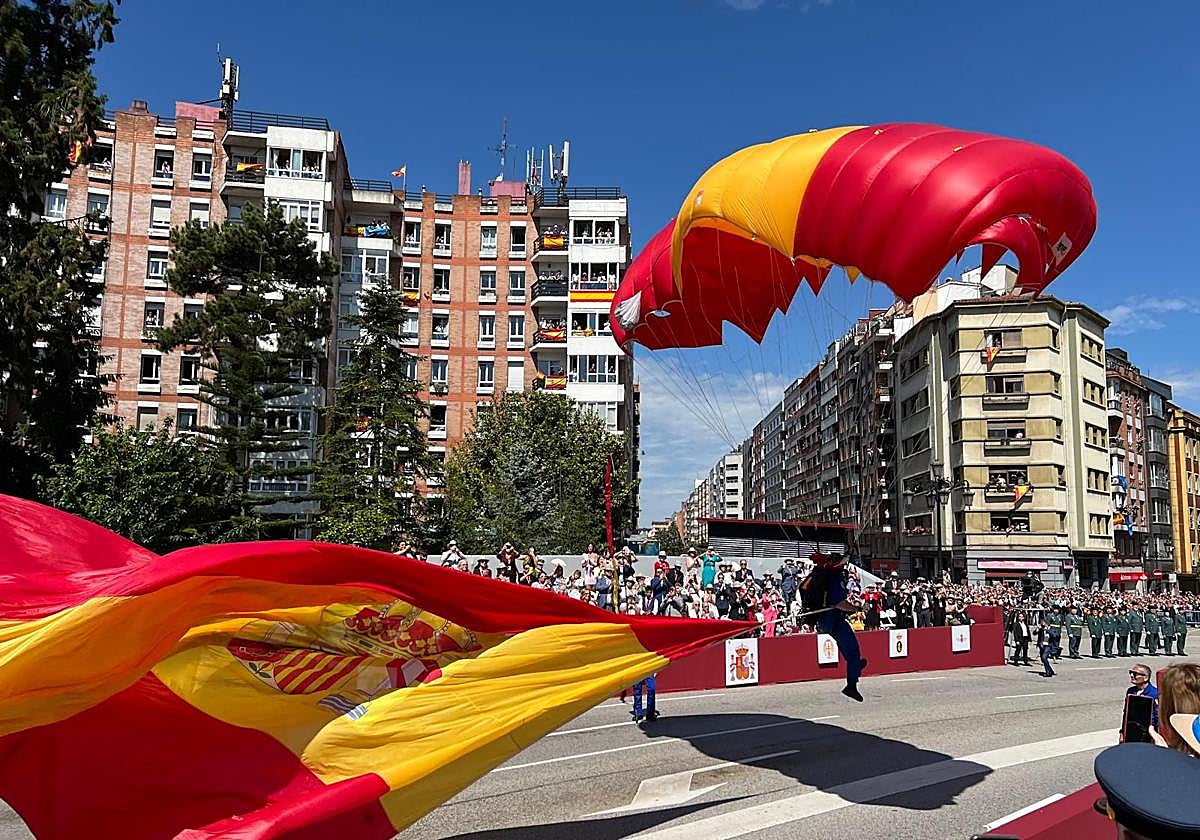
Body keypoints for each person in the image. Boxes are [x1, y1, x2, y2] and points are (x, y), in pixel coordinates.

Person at [810, 552, 868, 702]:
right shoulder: (834, 579)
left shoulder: (827, 576)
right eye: (843, 563)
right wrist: (857, 609)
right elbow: (839, 603)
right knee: (854, 652)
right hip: (834, 620)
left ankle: (854, 667)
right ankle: (851, 685)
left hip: (828, 621)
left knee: (851, 653)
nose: (845, 566)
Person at [1125, 663, 1160, 734]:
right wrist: (1122, 732)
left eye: (1135, 674)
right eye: (1130, 673)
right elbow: (1126, 713)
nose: (1131, 675)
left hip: (1148, 733)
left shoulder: (1154, 693)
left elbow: (1157, 716)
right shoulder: (1131, 691)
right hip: (1131, 730)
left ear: (1146, 678)